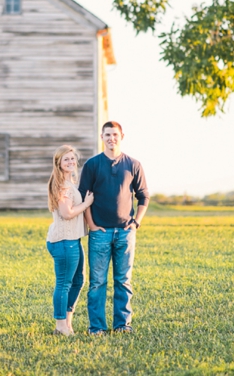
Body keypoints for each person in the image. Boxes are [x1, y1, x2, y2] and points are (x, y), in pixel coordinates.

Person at [79, 121, 149, 335]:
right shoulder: (92, 165)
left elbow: (144, 196)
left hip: (126, 232)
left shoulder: (133, 164)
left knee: (123, 280)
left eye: (115, 134)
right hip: (100, 233)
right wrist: (91, 224)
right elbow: (84, 198)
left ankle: (122, 325)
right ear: (102, 137)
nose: (111, 138)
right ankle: (97, 327)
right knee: (97, 282)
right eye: (107, 134)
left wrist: (137, 222)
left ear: (122, 136)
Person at [46, 145, 94, 336]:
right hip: (63, 241)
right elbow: (67, 213)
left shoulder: (69, 182)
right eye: (66, 159)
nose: (71, 162)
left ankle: (67, 322)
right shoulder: (62, 186)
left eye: (72, 159)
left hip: (73, 239)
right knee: (64, 283)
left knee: (78, 280)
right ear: (58, 163)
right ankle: (60, 326)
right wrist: (87, 203)